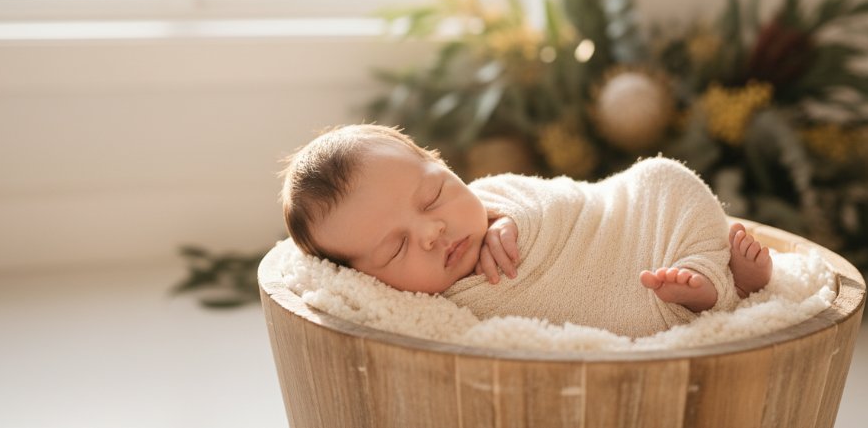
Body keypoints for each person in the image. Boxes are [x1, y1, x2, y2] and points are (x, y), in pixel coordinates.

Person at [281, 124, 772, 337]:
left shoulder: (496, 197)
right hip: (614, 301)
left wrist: (513, 218)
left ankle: (710, 272)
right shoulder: (425, 313)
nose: (432, 230)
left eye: (433, 196)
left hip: (626, 222)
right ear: (367, 279)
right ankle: (709, 293)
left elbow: (564, 196)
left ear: (445, 166)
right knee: (649, 307)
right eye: (396, 248)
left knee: (664, 180)